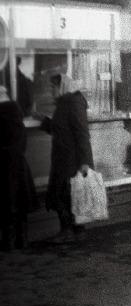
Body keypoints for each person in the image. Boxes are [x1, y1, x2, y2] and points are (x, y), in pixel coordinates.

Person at [34, 74, 94, 242]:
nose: (51, 91)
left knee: (69, 194)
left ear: (62, 86)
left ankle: (72, 231)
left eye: (53, 87)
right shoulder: (64, 103)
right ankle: (72, 231)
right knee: (66, 194)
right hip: (63, 156)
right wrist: (44, 120)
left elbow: (82, 133)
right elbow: (59, 127)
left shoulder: (73, 103)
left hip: (72, 159)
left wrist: (84, 162)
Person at [1, 86, 36, 250]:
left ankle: (8, 241)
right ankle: (23, 239)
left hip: (3, 167)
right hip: (19, 166)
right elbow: (21, 142)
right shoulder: (16, 113)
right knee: (19, 202)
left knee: (5, 203)